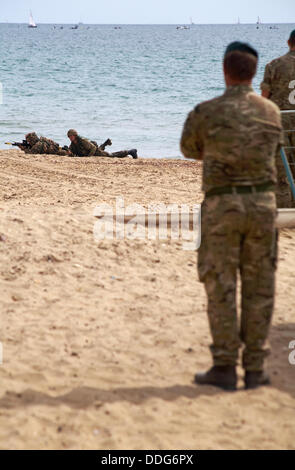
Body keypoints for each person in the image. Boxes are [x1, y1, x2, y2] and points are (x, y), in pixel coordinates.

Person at [180, 42, 283, 391]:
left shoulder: (206, 112)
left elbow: (189, 149)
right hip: (262, 207)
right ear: (254, 74)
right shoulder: (271, 112)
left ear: (225, 70)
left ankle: (224, 366)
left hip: (222, 207)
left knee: (221, 286)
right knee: (260, 288)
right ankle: (254, 369)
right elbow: (273, 148)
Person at [260, 29, 295, 207]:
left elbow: (264, 96)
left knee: (282, 170)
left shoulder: (274, 65)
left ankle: (285, 210)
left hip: (279, 121)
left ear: (288, 42)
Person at [67, 129, 138, 159]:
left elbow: (93, 148)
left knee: (110, 155)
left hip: (95, 152)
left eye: (71, 136)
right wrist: (69, 153)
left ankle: (130, 151)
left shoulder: (82, 141)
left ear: (75, 135)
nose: (70, 138)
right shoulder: (73, 143)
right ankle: (105, 144)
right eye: (69, 136)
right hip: (92, 153)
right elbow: (73, 152)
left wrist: (88, 157)